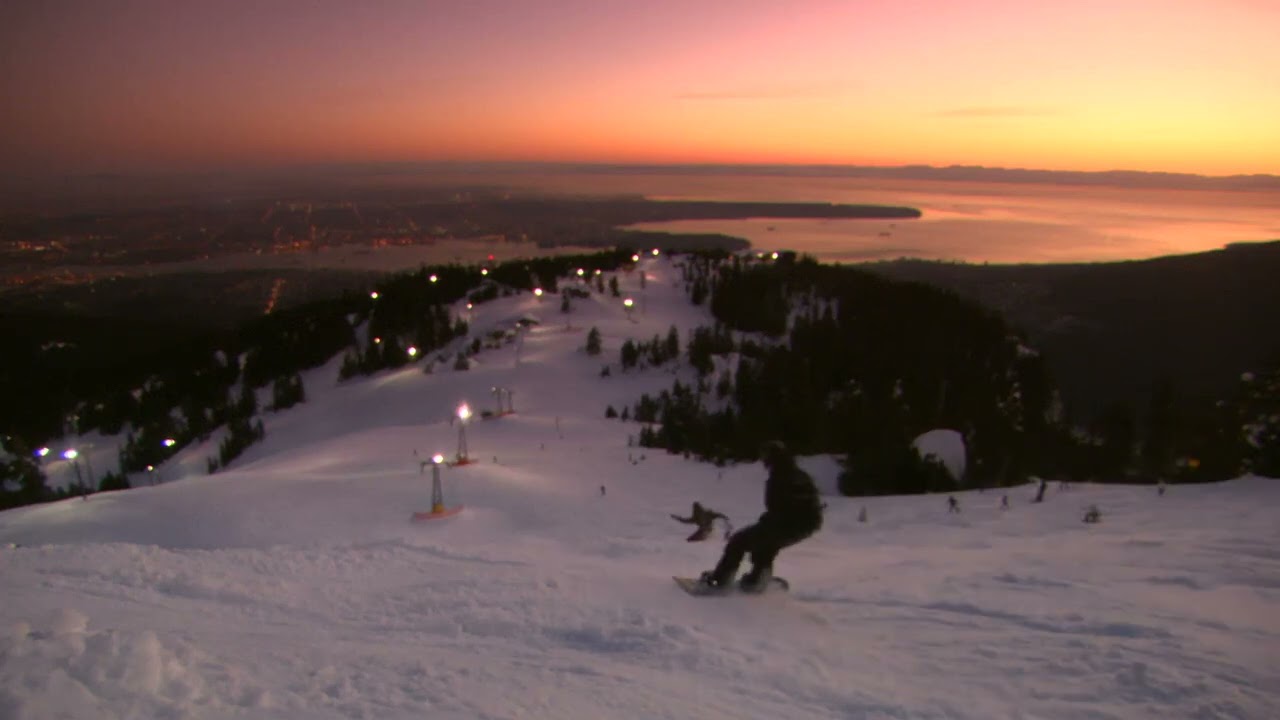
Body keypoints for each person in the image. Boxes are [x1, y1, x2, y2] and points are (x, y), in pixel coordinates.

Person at [699, 441, 824, 592]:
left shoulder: (780, 478)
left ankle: (720, 580)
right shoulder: (799, 475)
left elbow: (778, 509)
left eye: (765, 456)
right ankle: (758, 579)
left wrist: (767, 522)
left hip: (789, 524)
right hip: (807, 525)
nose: (763, 460)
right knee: (766, 544)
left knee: (738, 541)